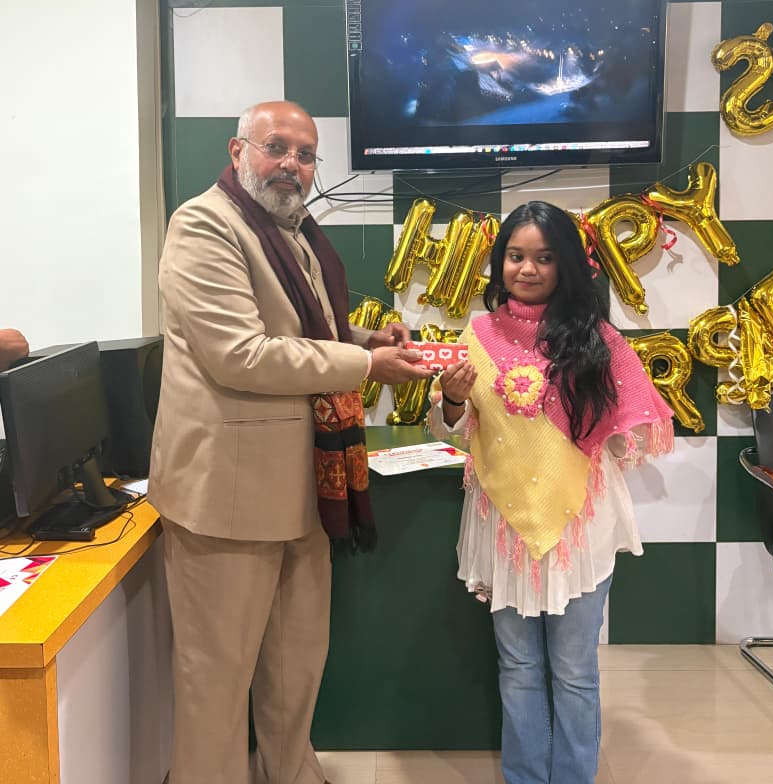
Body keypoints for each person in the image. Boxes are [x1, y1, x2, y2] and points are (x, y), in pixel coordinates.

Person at [148, 100, 430, 784]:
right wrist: (365, 364)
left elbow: (305, 330)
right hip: (227, 495)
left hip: (305, 486)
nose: (292, 165)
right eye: (276, 147)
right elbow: (241, 354)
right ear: (237, 151)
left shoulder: (293, 230)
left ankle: (294, 774)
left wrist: (367, 338)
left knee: (296, 666)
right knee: (216, 678)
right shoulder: (203, 225)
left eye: (305, 155)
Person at [427, 201, 674, 784]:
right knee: (517, 667)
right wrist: (453, 400)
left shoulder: (598, 338)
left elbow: (627, 433)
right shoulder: (479, 334)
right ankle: (526, 777)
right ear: (499, 263)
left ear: (565, 263)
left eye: (543, 258)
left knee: (574, 670)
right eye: (515, 256)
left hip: (579, 526)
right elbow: (452, 432)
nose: (528, 269)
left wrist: (592, 429)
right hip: (504, 524)